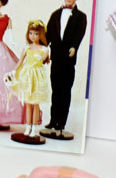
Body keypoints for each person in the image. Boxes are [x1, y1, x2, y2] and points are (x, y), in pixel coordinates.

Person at [45, 0, 87, 133]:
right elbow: (48, 35)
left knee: (65, 90)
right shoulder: (55, 14)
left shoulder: (81, 16)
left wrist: (74, 46)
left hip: (68, 58)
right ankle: (53, 120)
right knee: (55, 90)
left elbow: (80, 33)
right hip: (56, 57)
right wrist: (41, 47)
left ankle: (61, 122)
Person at [6, 20, 50, 137]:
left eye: (36, 34)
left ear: (41, 35)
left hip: (37, 77)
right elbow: (20, 61)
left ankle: (34, 127)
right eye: (31, 33)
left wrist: (40, 57)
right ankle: (28, 126)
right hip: (27, 76)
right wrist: (14, 71)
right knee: (28, 104)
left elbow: (43, 59)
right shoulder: (26, 47)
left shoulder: (44, 49)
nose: (33, 36)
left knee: (35, 103)